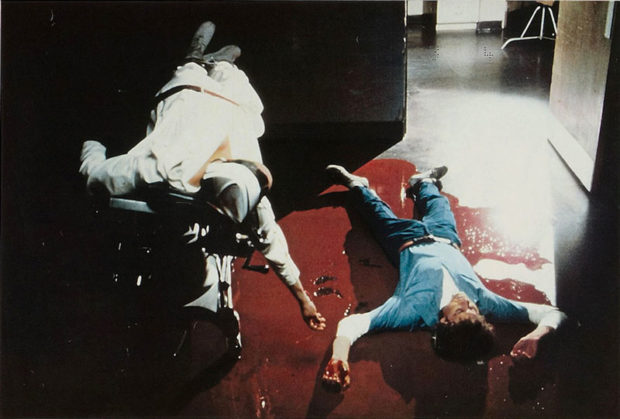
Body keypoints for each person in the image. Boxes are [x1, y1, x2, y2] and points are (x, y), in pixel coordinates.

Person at [79, 21, 326, 331]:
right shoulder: (164, 168)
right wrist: (93, 143)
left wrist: (303, 299)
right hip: (195, 105)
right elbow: (96, 177)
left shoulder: (248, 194)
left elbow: (275, 248)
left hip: (218, 107)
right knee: (196, 88)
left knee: (231, 103)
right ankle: (203, 61)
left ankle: (213, 64)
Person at [320, 164, 567, 392]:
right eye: (474, 310)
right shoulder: (486, 303)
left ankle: (357, 184)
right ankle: (423, 181)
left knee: (373, 209)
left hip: (403, 239)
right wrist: (537, 334)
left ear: (444, 322)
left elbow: (354, 324)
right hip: (445, 236)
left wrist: (339, 356)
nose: (468, 302)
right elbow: (554, 314)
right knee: (438, 203)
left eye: (461, 310)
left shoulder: (411, 310)